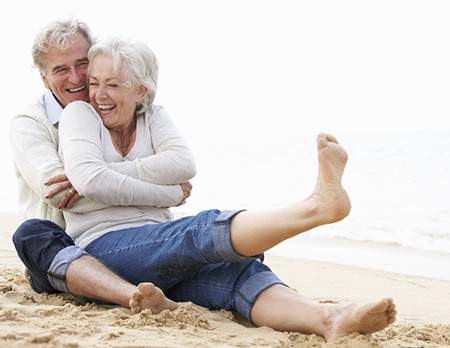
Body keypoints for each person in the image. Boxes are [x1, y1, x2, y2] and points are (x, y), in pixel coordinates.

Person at [33, 34, 395, 342]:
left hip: (159, 244)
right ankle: (316, 207)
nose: (98, 94)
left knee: (235, 273)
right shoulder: (79, 115)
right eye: (94, 82)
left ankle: (328, 318)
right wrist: (170, 194)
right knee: (196, 231)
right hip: (106, 247)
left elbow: (183, 164)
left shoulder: (155, 117)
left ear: (140, 90)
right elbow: (90, 180)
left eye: (113, 84)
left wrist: (114, 172)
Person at [10, 17, 184, 314]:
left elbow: (166, 163)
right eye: (61, 69)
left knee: (231, 253)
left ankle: (143, 291)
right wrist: (170, 194)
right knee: (31, 233)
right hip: (66, 251)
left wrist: (98, 178)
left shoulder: (112, 106)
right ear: (43, 76)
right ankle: (132, 294)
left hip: (129, 239)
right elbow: (59, 194)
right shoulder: (30, 123)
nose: (77, 78)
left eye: (82, 64)